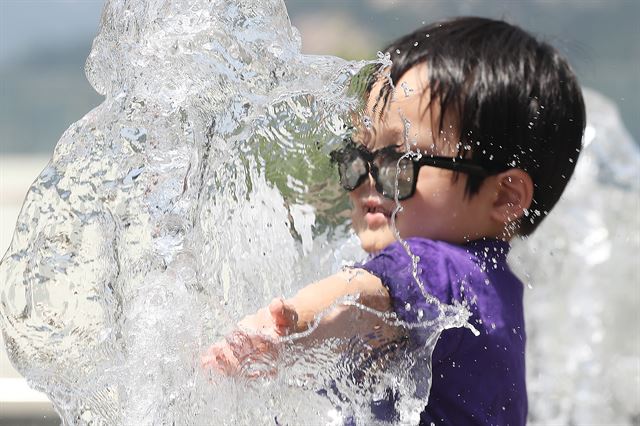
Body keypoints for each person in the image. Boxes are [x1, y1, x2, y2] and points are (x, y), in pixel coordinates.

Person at [202, 16, 585, 425]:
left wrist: (292, 324)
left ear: (505, 197)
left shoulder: (445, 272)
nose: (367, 179)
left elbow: (365, 295)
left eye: (399, 161)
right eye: (359, 156)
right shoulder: (490, 284)